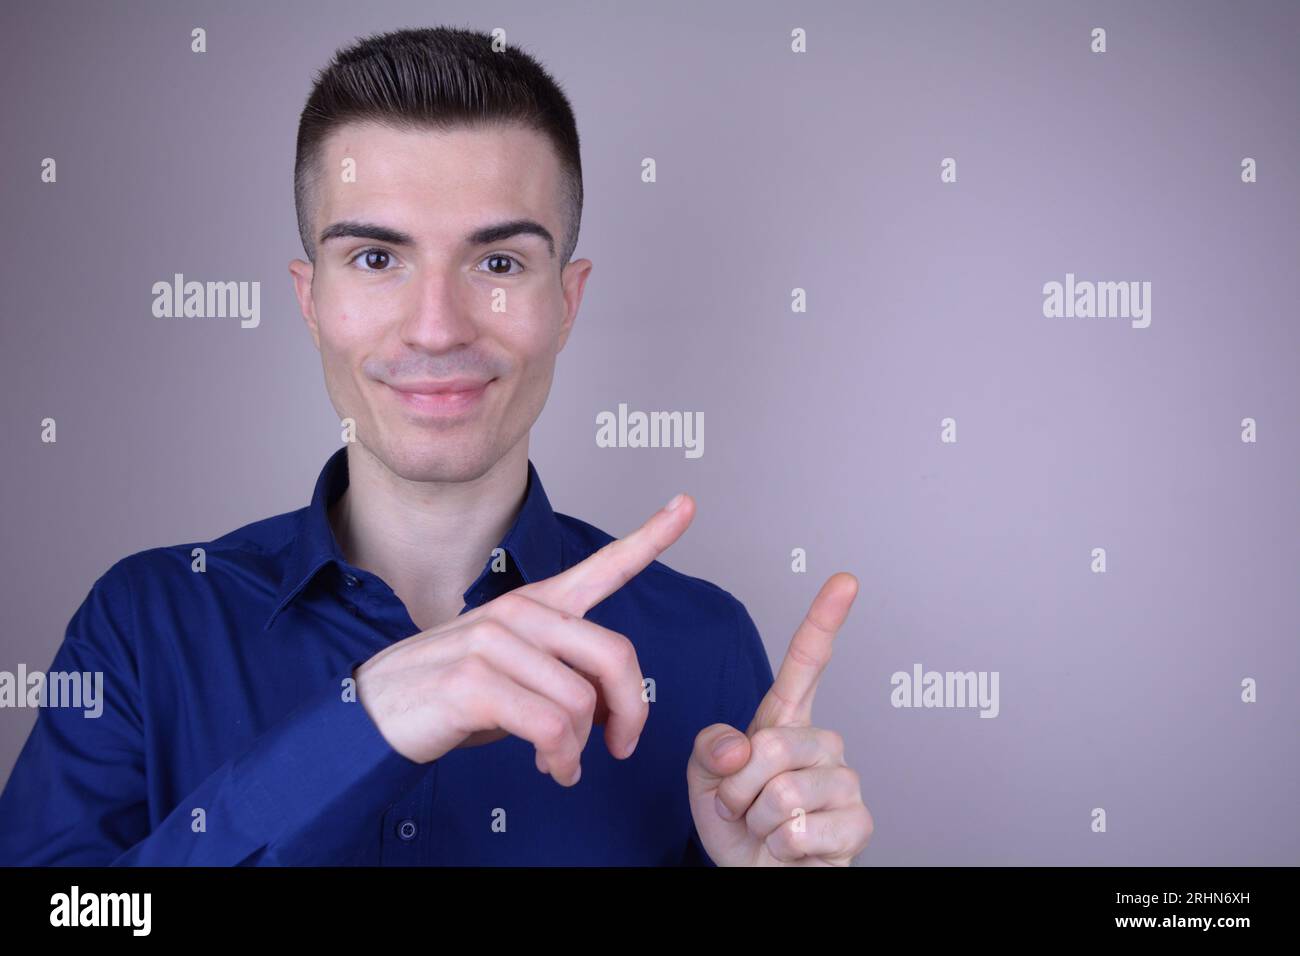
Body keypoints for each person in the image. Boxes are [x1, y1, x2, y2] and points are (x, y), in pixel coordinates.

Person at [0, 25, 872, 866]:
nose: (435, 328)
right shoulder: (146, 623)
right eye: (377, 258)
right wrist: (367, 723)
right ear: (310, 300)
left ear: (567, 301)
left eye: (497, 264)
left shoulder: (703, 643)